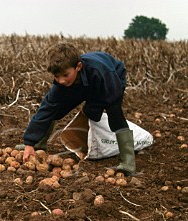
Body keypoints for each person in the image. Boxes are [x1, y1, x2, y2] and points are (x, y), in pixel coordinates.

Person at [16, 41, 136, 175]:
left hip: (111, 81)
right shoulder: (63, 81)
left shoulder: (100, 71)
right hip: (79, 83)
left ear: (78, 66)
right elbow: (46, 109)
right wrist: (29, 143)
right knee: (53, 110)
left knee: (115, 115)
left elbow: (112, 96)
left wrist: (93, 108)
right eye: (57, 76)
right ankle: (39, 143)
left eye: (65, 75)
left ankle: (128, 161)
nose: (61, 80)